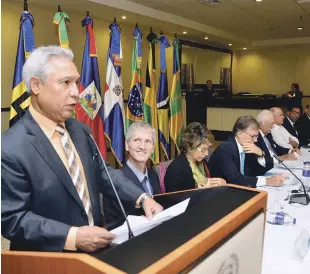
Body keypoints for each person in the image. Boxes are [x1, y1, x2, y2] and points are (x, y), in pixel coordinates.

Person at [1, 46, 163, 252]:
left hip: (96, 252)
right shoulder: (10, 147)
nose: (76, 93)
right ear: (36, 85)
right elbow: (11, 219)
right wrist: (72, 236)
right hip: (48, 261)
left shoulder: (80, 130)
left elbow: (103, 173)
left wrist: (141, 197)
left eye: (76, 82)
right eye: (65, 83)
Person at [104, 121, 161, 225]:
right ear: (127, 145)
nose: (142, 146)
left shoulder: (153, 176)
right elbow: (113, 225)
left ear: (153, 148)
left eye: (147, 141)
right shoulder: (116, 181)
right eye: (137, 140)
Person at [208, 116, 287, 188]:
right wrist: (267, 181)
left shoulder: (247, 146)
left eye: (257, 136)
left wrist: (261, 154)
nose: (255, 140)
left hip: (240, 187)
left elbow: (258, 171)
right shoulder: (226, 148)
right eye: (253, 136)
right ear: (240, 133)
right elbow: (235, 178)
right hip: (220, 190)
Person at [164, 122, 226, 193]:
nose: (206, 153)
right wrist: (199, 193)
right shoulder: (176, 169)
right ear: (189, 146)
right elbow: (173, 200)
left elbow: (211, 181)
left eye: (207, 149)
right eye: (203, 149)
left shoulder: (201, 163)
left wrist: (223, 183)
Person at [254, 110, 297, 175]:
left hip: (277, 165)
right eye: (271, 124)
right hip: (266, 171)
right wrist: (281, 157)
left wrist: (290, 150)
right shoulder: (255, 138)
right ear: (262, 123)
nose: (272, 126)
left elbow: (276, 147)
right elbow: (261, 161)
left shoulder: (268, 134)